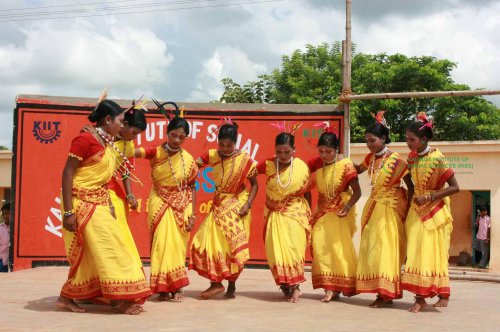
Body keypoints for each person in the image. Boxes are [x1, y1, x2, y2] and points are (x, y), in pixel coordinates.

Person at [56, 97, 151, 315]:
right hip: (81, 200)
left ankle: (72, 296)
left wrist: (114, 200)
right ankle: (118, 298)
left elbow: (113, 174)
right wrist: (69, 212)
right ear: (108, 119)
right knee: (112, 247)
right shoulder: (85, 140)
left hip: (98, 199)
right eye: (120, 120)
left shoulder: (106, 142)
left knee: (96, 251)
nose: (122, 124)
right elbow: (67, 173)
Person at [189, 121, 258, 299]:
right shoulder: (213, 155)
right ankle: (216, 283)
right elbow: (195, 165)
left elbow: (255, 185)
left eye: (229, 145)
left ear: (236, 142)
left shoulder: (245, 160)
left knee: (232, 247)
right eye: (222, 144)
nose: (225, 148)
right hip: (219, 204)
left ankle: (231, 285)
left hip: (237, 204)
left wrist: (247, 204)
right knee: (206, 242)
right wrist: (189, 171)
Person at [136, 111, 198, 302]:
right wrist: (118, 140)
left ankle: (177, 286)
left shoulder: (188, 159)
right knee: (161, 244)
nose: (177, 140)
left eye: (182, 137)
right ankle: (162, 287)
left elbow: (192, 186)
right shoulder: (157, 152)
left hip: (183, 205)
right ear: (167, 132)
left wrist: (193, 213)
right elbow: (134, 152)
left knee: (178, 246)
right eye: (174, 135)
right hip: (160, 201)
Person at [401, 112, 459, 313]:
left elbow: (454, 187)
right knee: (415, 253)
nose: (408, 143)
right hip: (416, 211)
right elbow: (410, 186)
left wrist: (429, 197)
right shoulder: (411, 158)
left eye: (411, 139)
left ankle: (429, 295)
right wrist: (407, 207)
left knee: (433, 252)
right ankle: (423, 295)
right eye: (407, 139)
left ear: (423, 139)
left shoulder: (437, 158)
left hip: (435, 210)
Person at [354, 112, 413, 308]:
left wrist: (410, 208)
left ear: (384, 139)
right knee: (373, 249)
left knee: (386, 249)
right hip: (374, 206)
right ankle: (379, 290)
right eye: (366, 142)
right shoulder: (370, 158)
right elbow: (358, 170)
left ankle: (386, 293)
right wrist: (340, 163)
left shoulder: (397, 160)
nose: (369, 145)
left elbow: (410, 186)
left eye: (372, 141)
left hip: (391, 207)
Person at [257, 130, 312, 303]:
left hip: (295, 214)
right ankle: (286, 286)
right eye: (279, 151)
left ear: (294, 150)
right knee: (277, 253)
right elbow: (248, 172)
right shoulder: (268, 164)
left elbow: (307, 191)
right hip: (274, 214)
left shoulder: (301, 166)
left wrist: (308, 213)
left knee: (294, 251)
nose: (282, 155)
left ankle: (296, 287)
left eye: (286, 152)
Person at [308, 126, 361, 302]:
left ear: (336, 150)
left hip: (340, 213)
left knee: (337, 249)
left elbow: (357, 192)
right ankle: (328, 287)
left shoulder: (345, 166)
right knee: (321, 247)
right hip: (321, 214)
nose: (324, 155)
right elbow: (307, 188)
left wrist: (347, 208)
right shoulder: (318, 169)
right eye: (321, 151)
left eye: (328, 151)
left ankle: (338, 286)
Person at [0, 202, 10, 272]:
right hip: (1, 261)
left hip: (11, 262)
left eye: (7, 213)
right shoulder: (0, 228)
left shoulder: (16, 228)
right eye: (3, 214)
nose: (5, 216)